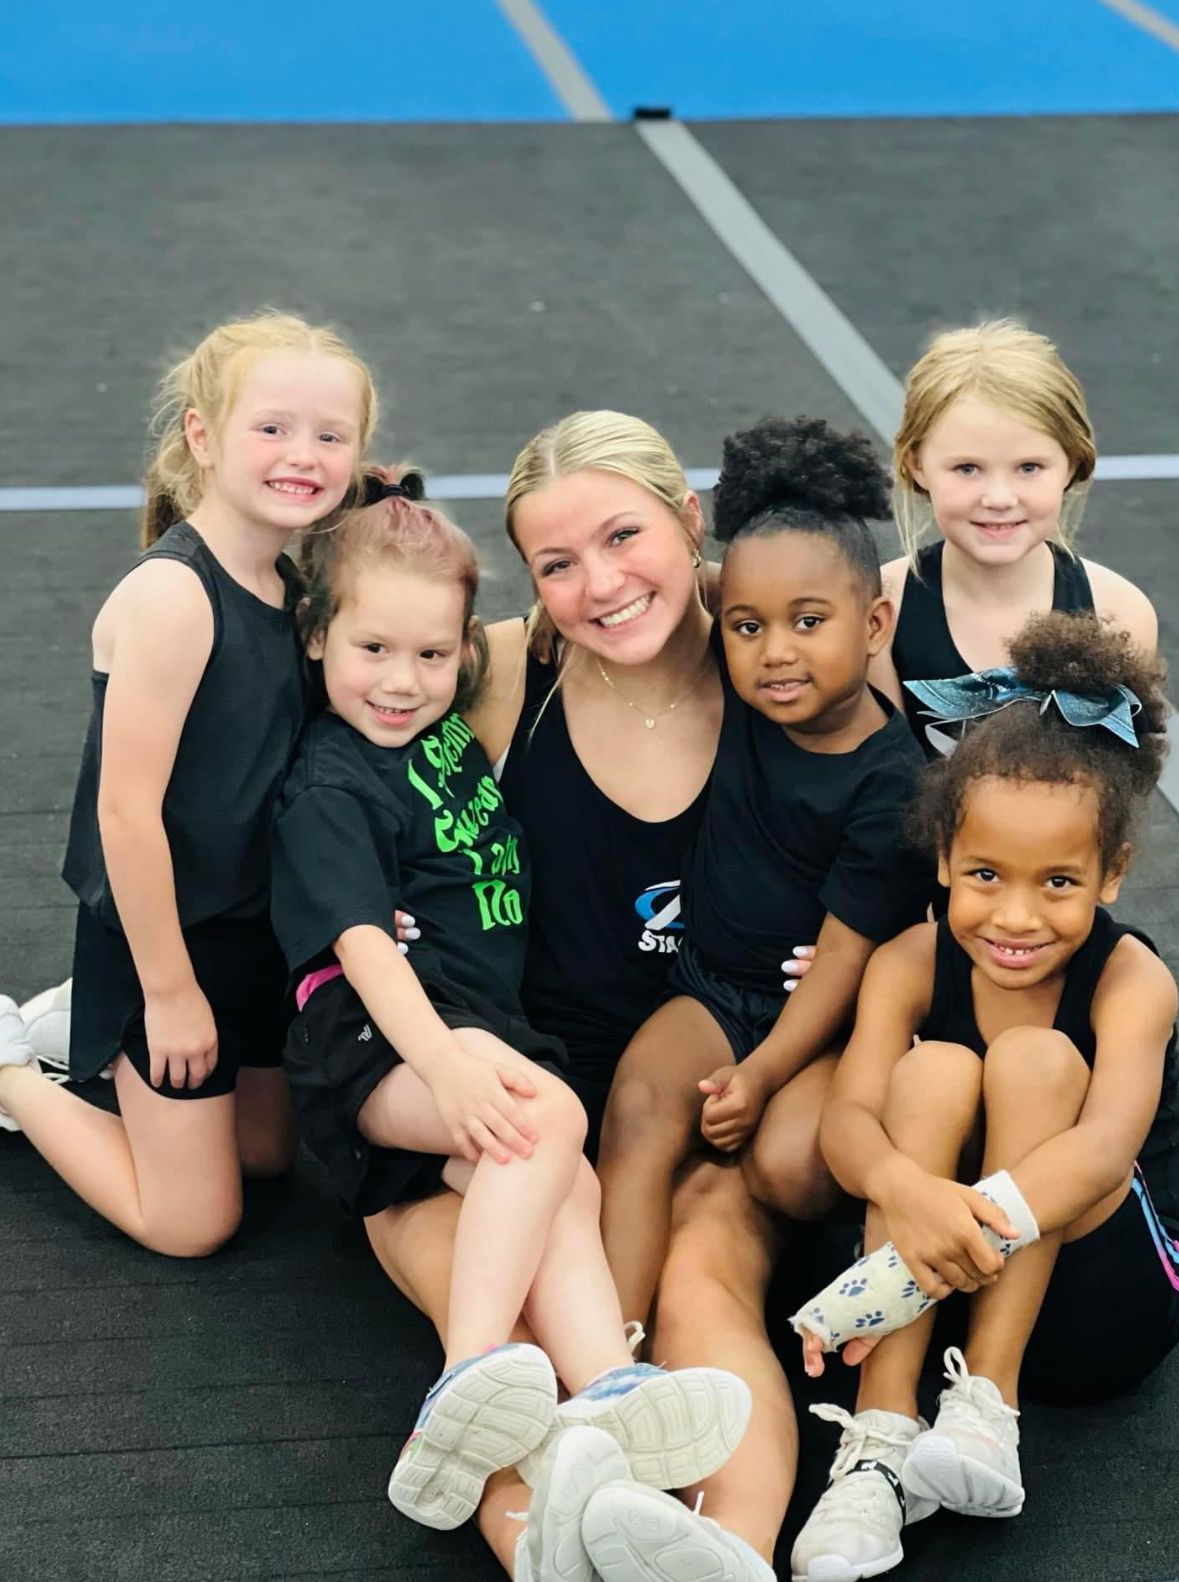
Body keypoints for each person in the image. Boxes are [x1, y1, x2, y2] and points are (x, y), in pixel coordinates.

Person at [361, 411, 833, 1582]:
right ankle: (553, 1563)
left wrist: (865, 951)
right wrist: (392, 909)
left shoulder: (779, 640)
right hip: (520, 1091)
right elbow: (363, 776)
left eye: (625, 536)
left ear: (690, 519)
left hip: (715, 1086)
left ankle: (727, 1552)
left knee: (699, 1288)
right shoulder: (505, 671)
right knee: (509, 1340)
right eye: (557, 564)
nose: (602, 584)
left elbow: (919, 802)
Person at [268, 468, 750, 1541]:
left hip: (460, 1031)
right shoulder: (335, 784)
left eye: (432, 656)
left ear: (466, 650)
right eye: (373, 651)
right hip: (375, 1041)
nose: (403, 681)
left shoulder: (439, 733)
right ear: (316, 640)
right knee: (550, 1124)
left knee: (560, 1180)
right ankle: (467, 1374)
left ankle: (606, 1384)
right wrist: (439, 1061)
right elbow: (358, 943)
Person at [788, 612, 1179, 1582]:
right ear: (940, 860)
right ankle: (882, 1446)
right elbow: (845, 1125)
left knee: (1036, 1063)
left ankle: (989, 1418)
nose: (1015, 915)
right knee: (928, 1074)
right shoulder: (905, 962)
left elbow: (1101, 1155)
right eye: (984, 875)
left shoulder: (1135, 978)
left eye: (1058, 880)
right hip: (952, 1289)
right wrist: (913, 1194)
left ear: (1113, 872)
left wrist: (930, 1239)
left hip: (1102, 1305)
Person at [0, 311, 375, 1256]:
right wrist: (168, 991)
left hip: (252, 935)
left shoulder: (290, 584)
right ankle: (9, 1068)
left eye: (332, 436)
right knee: (194, 1222)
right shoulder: (174, 597)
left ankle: (85, 1023)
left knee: (267, 1158)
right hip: (167, 936)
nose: (304, 454)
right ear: (202, 438)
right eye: (274, 428)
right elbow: (125, 812)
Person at [598, 418, 932, 1329]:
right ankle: (605, 1356)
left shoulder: (894, 780)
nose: (776, 649)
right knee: (635, 1109)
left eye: (809, 623)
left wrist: (768, 1072)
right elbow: (690, 588)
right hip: (710, 990)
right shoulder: (751, 691)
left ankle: (797, 1241)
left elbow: (842, 954)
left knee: (788, 1162)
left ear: (875, 626)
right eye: (749, 627)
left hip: (818, 1022)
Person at [873, 319, 1157, 757]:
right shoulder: (882, 609)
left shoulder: (1118, 617)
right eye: (967, 468)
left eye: (1028, 467)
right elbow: (880, 784)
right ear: (916, 464)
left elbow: (1119, 791)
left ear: (1073, 464)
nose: (1000, 498)